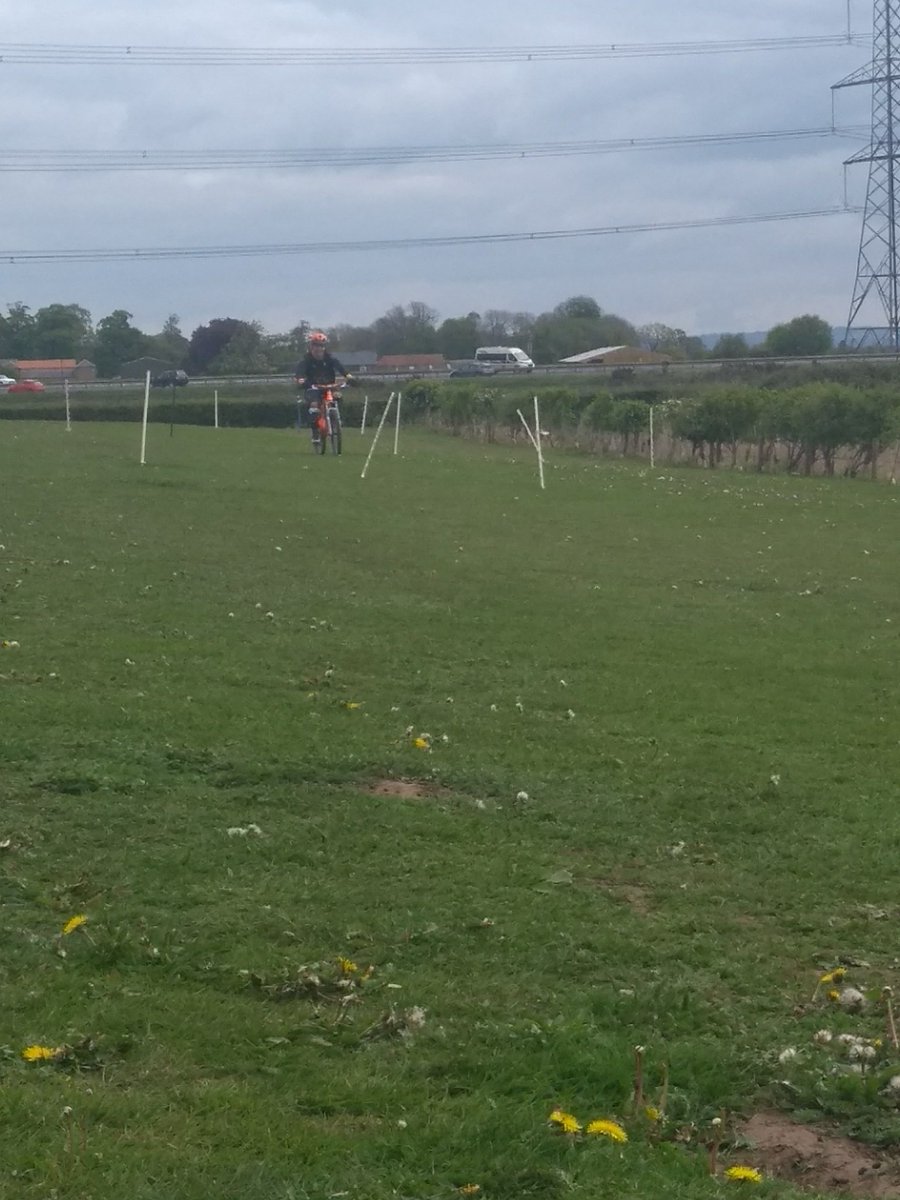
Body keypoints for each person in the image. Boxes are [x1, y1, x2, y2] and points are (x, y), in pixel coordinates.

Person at [294, 331, 352, 431]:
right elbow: (300, 373)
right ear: (311, 347)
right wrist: (300, 379)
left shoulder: (330, 359)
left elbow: (341, 368)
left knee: (338, 397)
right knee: (314, 405)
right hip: (313, 387)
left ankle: (336, 419)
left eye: (321, 346)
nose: (319, 348)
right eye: (316, 345)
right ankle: (315, 432)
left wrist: (348, 376)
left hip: (330, 386)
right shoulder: (306, 360)